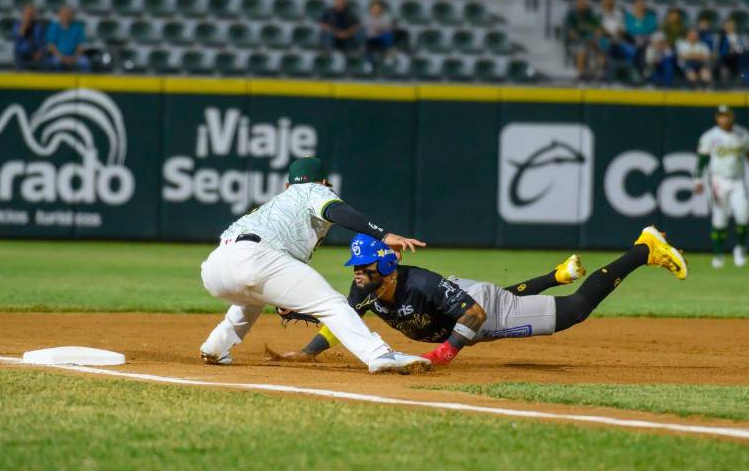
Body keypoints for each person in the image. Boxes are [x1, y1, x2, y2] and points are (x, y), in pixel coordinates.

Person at [270, 227, 687, 367]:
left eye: (364, 268)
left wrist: (443, 355)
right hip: (462, 302)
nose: (358, 275)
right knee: (494, 300)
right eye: (356, 269)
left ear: (386, 268)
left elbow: (472, 313)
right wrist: (308, 348)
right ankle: (555, 275)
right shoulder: (366, 289)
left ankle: (644, 249)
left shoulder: (420, 284)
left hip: (479, 312)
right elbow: (343, 318)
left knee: (574, 311)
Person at [198, 157, 432, 374]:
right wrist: (382, 235)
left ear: (287, 185)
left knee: (252, 299)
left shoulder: (276, 203)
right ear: (323, 183)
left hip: (215, 268)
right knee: (332, 303)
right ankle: (380, 354)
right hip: (256, 258)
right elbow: (336, 211)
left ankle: (215, 346)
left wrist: (283, 297)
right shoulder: (313, 190)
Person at [693, 106, 749, 268]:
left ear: (732, 117)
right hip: (718, 180)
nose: (724, 119)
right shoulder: (710, 136)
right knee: (719, 218)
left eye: (727, 116)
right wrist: (697, 180)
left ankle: (739, 248)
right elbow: (702, 160)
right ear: (717, 118)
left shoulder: (742, 134)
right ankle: (718, 255)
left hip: (738, 180)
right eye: (721, 116)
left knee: (743, 215)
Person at [564, 0, 599, 79]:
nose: (584, 4)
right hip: (574, 41)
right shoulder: (571, 14)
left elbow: (596, 27)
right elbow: (571, 33)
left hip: (588, 40)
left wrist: (594, 36)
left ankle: (595, 75)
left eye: (585, 3)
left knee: (599, 48)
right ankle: (580, 75)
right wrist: (585, 34)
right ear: (577, 3)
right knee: (581, 48)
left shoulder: (590, 13)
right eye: (582, 3)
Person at [46, 5, 90, 72]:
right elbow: (51, 46)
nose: (66, 16)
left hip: (74, 56)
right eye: (64, 14)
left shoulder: (78, 28)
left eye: (68, 14)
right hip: (58, 56)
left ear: (72, 16)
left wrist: (74, 57)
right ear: (59, 15)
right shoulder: (54, 27)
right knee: (54, 62)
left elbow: (80, 46)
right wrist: (62, 58)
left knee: (84, 61)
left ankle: (85, 81)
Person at [624, 0, 658, 72]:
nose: (641, 6)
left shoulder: (650, 16)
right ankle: (639, 70)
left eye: (642, 4)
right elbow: (630, 29)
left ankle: (645, 70)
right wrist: (643, 29)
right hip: (632, 39)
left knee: (649, 46)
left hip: (648, 38)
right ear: (634, 5)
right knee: (639, 44)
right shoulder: (629, 16)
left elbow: (653, 28)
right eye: (639, 4)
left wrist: (640, 30)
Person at [12, 4, 45, 70]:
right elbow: (18, 38)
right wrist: (25, 25)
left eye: (31, 13)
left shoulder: (39, 26)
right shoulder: (17, 25)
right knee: (18, 51)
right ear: (23, 14)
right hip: (23, 53)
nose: (29, 16)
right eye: (27, 13)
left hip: (36, 52)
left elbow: (43, 42)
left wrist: (40, 52)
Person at [717, 19, 749, 84]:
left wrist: (738, 50)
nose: (729, 27)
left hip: (737, 55)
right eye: (727, 26)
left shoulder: (738, 36)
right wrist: (728, 50)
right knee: (725, 59)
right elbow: (720, 48)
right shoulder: (722, 36)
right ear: (724, 27)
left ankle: (743, 78)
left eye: (731, 25)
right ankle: (725, 81)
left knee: (744, 57)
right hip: (725, 56)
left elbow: (742, 47)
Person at [363, 0, 394, 66]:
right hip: (370, 38)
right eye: (374, 8)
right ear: (371, 9)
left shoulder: (386, 17)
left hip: (381, 38)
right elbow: (368, 31)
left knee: (388, 35)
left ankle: (388, 54)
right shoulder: (366, 17)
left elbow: (388, 28)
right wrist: (381, 28)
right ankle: (367, 62)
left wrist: (380, 29)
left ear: (381, 9)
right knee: (364, 39)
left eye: (378, 8)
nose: (376, 10)